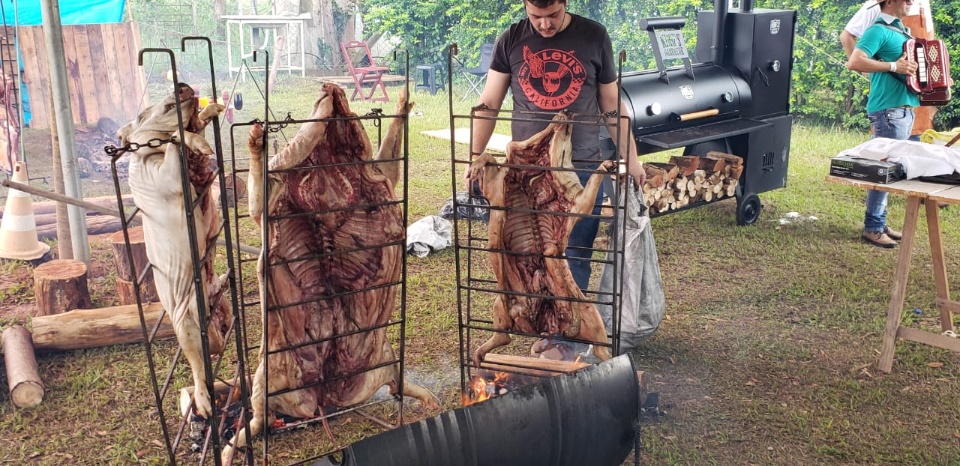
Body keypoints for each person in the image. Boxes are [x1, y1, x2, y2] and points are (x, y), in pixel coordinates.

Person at [465, 0, 645, 358]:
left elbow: (611, 106)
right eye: (536, 17)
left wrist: (633, 159)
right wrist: (474, 156)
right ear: (524, 7)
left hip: (578, 165)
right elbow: (489, 101)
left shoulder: (594, 36)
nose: (544, 26)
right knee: (525, 256)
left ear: (566, 4)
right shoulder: (511, 40)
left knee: (571, 252)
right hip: (525, 173)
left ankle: (566, 339)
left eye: (552, 16)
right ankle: (542, 324)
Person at [846, 0, 919, 248]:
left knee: (886, 167)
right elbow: (854, 61)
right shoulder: (877, 30)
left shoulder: (902, 31)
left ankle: (879, 222)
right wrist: (893, 66)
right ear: (889, 2)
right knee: (883, 168)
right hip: (889, 110)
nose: (911, 1)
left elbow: (907, 70)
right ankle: (873, 227)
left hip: (902, 110)